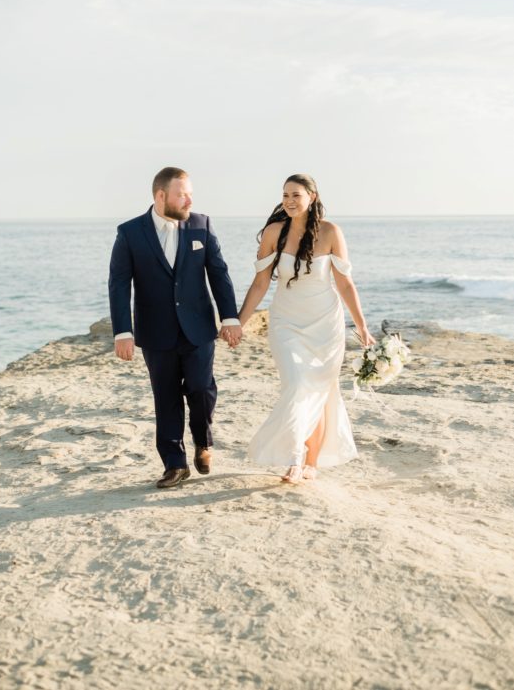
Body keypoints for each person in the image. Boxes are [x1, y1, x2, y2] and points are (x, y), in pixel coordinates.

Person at [108, 167, 242, 489]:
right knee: (165, 396)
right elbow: (118, 284)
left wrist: (231, 318)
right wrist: (123, 332)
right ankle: (174, 464)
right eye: (182, 193)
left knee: (201, 388)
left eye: (190, 193)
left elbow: (219, 274)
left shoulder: (201, 225)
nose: (189, 199)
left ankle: (203, 442)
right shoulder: (130, 233)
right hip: (156, 333)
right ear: (161, 196)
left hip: (198, 328)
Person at [238, 173, 375, 484]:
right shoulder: (274, 232)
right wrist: (238, 322)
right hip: (286, 322)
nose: (289, 200)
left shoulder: (330, 232)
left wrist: (362, 327)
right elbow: (261, 283)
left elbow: (344, 283)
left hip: (326, 325)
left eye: (296, 195)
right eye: (285, 194)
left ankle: (308, 461)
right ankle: (295, 457)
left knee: (320, 391)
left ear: (312, 197)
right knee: (298, 385)